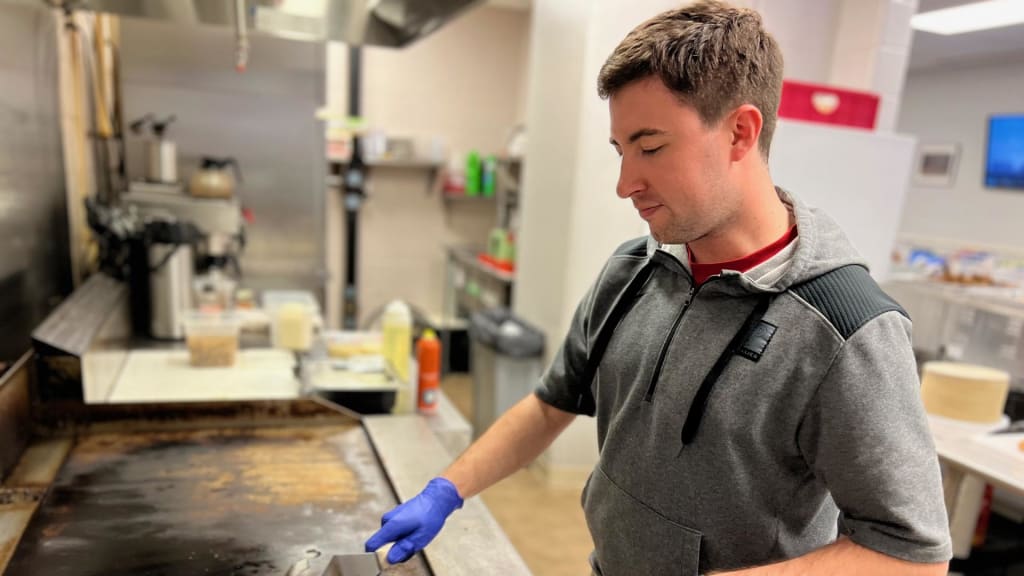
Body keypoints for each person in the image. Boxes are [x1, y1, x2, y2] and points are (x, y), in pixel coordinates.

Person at [365, 1, 953, 574]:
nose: (626, 184)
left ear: (740, 133)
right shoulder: (635, 271)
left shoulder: (846, 330)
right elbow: (552, 404)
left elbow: (911, 554)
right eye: (622, 152)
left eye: (650, 148)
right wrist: (448, 489)